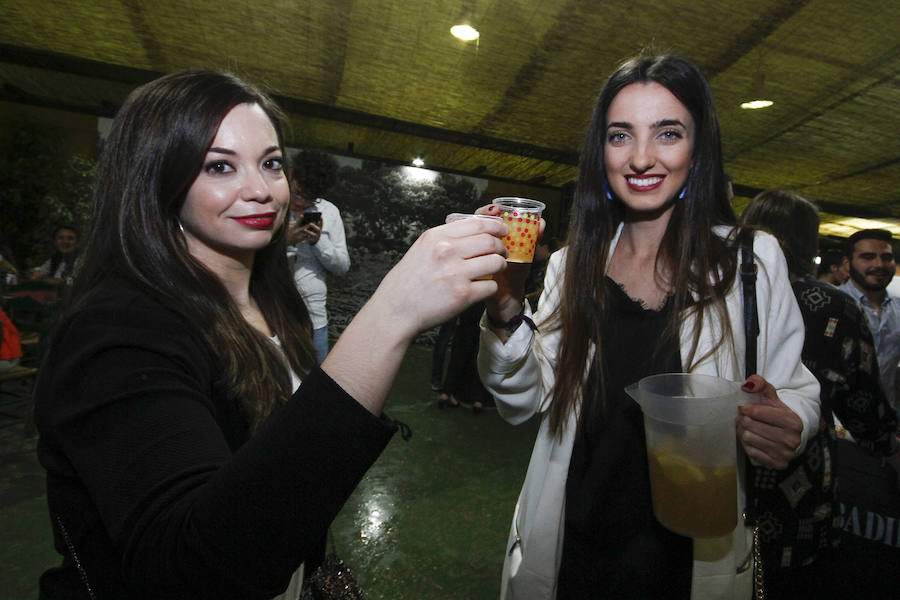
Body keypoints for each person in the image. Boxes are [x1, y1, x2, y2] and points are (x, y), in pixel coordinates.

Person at [32, 70, 509, 599]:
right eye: (219, 166)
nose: (260, 189)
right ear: (157, 178)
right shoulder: (118, 330)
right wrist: (393, 311)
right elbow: (195, 574)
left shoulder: (272, 300)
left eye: (272, 163)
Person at [477, 54, 820, 599]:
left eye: (667, 133)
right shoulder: (573, 264)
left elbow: (796, 389)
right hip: (572, 544)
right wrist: (503, 309)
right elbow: (521, 402)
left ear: (698, 147)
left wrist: (790, 421)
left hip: (688, 558)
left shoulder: (751, 260)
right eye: (620, 136)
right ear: (601, 151)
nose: (641, 157)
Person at [741, 189, 900, 595]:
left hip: (728, 461)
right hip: (801, 469)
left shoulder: (722, 293)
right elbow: (862, 402)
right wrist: (888, 445)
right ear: (807, 240)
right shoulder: (833, 305)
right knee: (790, 579)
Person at [285, 150, 351, 363]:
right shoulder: (271, 205)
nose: (301, 203)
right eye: (297, 193)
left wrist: (318, 241)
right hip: (273, 314)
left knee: (314, 389)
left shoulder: (330, 212)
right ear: (291, 175)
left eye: (309, 199)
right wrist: (285, 241)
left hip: (314, 320)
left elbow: (342, 267)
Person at [839, 229, 900, 413]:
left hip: (884, 422)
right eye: (868, 257)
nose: (879, 264)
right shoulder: (832, 304)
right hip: (836, 423)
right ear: (847, 264)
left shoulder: (897, 309)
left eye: (887, 257)